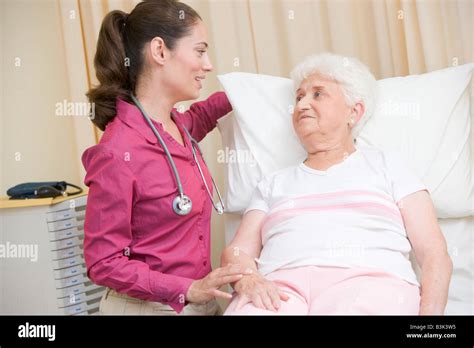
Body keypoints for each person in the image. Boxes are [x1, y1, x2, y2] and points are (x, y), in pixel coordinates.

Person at [222, 53, 453, 315]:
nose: (302, 105)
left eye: (318, 94)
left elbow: (434, 252)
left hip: (369, 284)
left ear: (354, 111)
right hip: (279, 291)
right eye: (299, 97)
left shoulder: (389, 167)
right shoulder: (272, 184)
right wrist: (249, 280)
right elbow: (237, 250)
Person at [82, 0, 249, 315]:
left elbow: (201, 116)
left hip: (197, 302)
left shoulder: (176, 126)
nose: (208, 64)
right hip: (149, 308)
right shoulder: (118, 151)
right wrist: (186, 288)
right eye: (199, 51)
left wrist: (249, 91)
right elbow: (103, 263)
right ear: (159, 51)